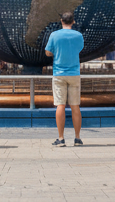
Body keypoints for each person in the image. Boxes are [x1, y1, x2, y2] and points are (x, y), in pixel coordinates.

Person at [46, 12, 85, 148]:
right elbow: (79, 49)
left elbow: (48, 52)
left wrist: (55, 52)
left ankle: (61, 138)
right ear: (73, 21)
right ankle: (77, 138)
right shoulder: (78, 36)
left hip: (59, 73)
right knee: (75, 106)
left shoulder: (54, 35)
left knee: (60, 105)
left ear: (61, 21)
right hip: (74, 73)